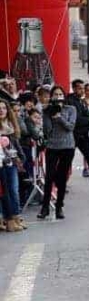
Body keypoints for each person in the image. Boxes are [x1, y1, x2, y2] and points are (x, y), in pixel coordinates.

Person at [39, 86, 76, 220]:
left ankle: (59, 206)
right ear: (52, 96)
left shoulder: (71, 109)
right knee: (49, 177)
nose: (58, 96)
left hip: (67, 146)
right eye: (55, 94)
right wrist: (49, 114)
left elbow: (70, 127)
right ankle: (45, 207)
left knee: (62, 177)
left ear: (64, 96)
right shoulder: (47, 111)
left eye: (60, 94)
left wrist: (59, 117)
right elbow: (47, 130)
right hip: (52, 146)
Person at [0, 99, 24, 232]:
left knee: (14, 190)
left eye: (3, 108)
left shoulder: (11, 124)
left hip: (12, 162)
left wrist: (21, 158)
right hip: (1, 163)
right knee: (4, 192)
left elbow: (17, 145)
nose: (1, 110)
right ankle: (5, 219)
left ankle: (16, 217)